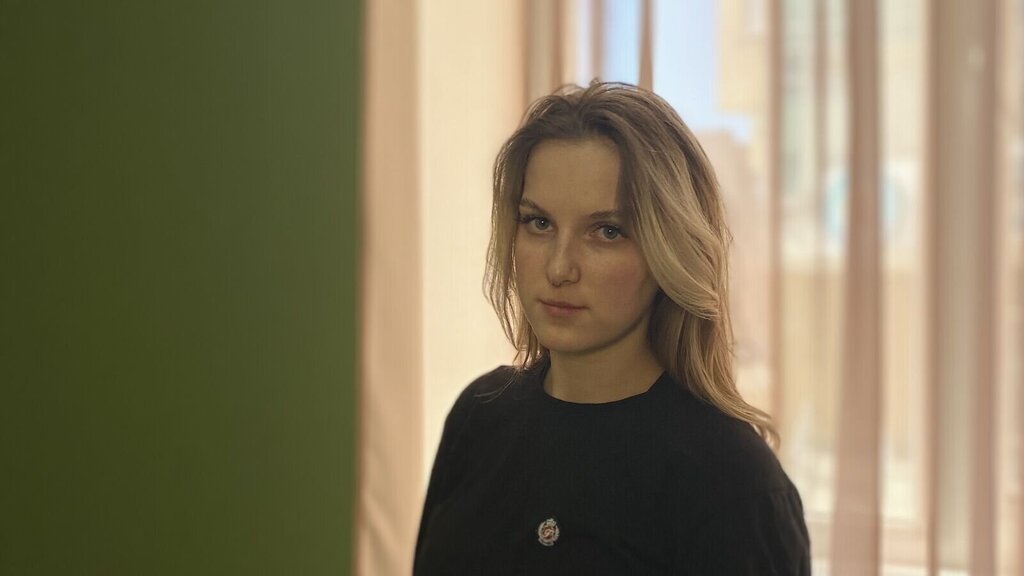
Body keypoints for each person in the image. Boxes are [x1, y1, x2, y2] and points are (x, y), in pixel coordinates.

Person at [413, 80, 811, 575]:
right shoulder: (479, 418)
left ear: (668, 250)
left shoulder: (735, 485)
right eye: (538, 223)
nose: (560, 267)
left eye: (606, 231)